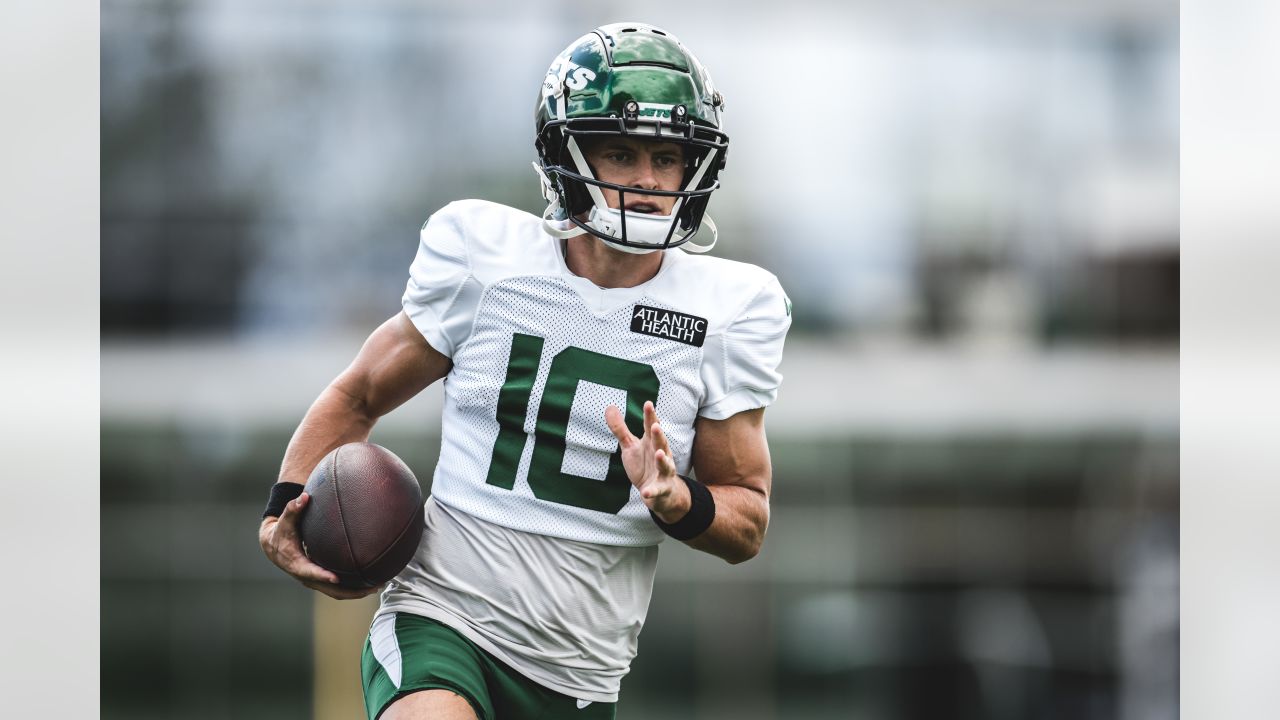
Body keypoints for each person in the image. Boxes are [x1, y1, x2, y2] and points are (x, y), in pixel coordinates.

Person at [259, 21, 791, 720]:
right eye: (621, 152)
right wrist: (284, 506)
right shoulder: (486, 261)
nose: (647, 180)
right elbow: (359, 394)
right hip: (444, 620)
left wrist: (678, 500)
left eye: (667, 157)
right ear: (565, 155)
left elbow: (746, 522)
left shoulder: (727, 310)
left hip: (579, 675)